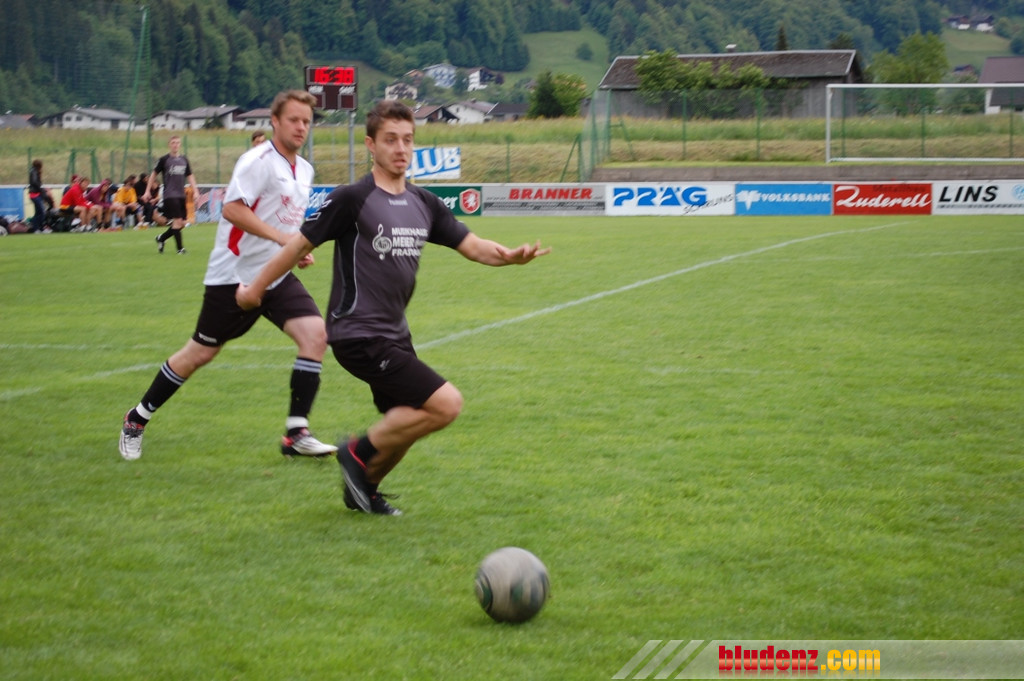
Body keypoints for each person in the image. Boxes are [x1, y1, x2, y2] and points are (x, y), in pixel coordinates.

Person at [236, 100, 550, 515]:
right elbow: (297, 246)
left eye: (407, 140)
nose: (401, 148)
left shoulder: (424, 203)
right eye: (390, 140)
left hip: (395, 334)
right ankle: (356, 452)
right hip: (358, 332)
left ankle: (364, 490)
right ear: (371, 145)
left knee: (407, 418)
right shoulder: (353, 198)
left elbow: (473, 246)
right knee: (446, 404)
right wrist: (256, 289)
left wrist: (508, 256)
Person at [118, 90, 337, 463]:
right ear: (275, 122)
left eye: (306, 121)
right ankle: (136, 418)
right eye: (294, 120)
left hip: (276, 274)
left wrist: (295, 250)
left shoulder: (304, 168)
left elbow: (284, 219)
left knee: (316, 335)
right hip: (234, 275)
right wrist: (283, 240)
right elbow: (233, 210)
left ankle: (296, 433)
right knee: (201, 352)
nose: (301, 127)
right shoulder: (257, 161)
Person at [144, 135, 198, 254]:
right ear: (169, 145)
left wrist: (196, 191)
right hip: (170, 195)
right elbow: (153, 174)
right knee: (178, 221)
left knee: (181, 223)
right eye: (173, 142)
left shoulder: (184, 159)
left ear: (180, 144)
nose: (175, 145)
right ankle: (180, 249)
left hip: (181, 195)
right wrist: (147, 191)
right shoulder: (164, 160)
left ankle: (161, 238)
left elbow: (190, 176)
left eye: (177, 142)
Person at [28, 160, 55, 233]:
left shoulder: (33, 171)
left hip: (34, 194)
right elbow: (35, 182)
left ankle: (37, 228)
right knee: (41, 212)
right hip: (35, 194)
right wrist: (41, 189)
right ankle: (38, 228)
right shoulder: (35, 172)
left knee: (38, 212)